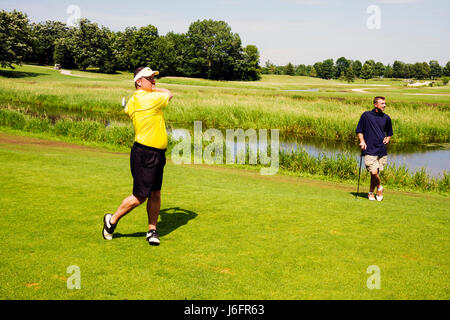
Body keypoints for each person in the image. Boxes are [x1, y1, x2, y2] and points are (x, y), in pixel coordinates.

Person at [103, 66, 173, 245]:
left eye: (154, 78)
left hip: (157, 153)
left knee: (155, 193)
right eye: (149, 79)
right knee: (140, 196)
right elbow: (170, 94)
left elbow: (128, 108)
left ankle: (152, 230)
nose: (154, 81)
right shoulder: (147, 99)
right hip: (145, 153)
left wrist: (151, 89)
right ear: (139, 82)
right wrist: (155, 89)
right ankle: (111, 221)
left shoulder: (136, 99)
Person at [356, 96, 393, 201]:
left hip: (381, 149)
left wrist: (388, 138)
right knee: (373, 172)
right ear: (375, 104)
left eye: (385, 103)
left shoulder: (386, 118)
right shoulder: (366, 115)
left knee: (375, 173)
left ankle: (371, 193)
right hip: (369, 148)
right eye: (382, 103)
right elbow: (359, 130)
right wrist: (362, 141)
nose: (384, 105)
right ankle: (380, 187)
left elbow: (389, 132)